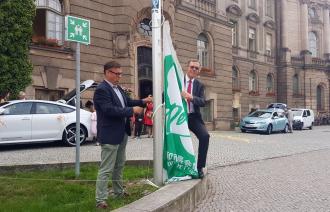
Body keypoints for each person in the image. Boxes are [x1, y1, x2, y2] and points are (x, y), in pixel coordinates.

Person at [94, 61, 152, 209]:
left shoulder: (117, 88)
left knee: (119, 165)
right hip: (109, 133)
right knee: (106, 168)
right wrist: (132, 111)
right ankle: (100, 199)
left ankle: (118, 192)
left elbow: (128, 101)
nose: (119, 76)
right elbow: (109, 110)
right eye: (116, 73)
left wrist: (143, 101)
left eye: (120, 73)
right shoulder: (102, 89)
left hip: (122, 132)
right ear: (107, 72)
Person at [181, 59, 210, 179]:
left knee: (205, 136)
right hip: (179, 115)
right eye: (192, 67)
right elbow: (165, 94)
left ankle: (199, 167)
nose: (194, 69)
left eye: (196, 68)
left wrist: (191, 97)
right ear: (187, 67)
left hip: (193, 116)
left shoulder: (199, 85)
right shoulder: (178, 80)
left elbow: (203, 102)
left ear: (198, 71)